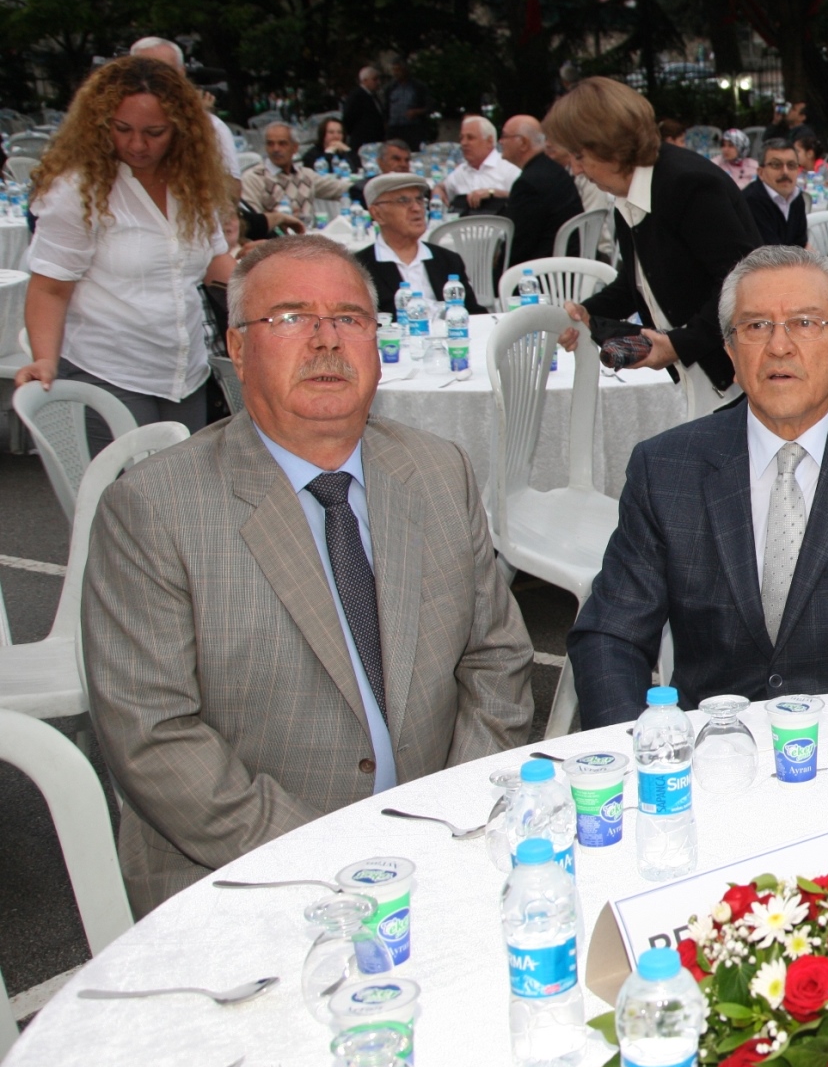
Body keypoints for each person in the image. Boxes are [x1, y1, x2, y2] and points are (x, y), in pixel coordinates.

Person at [83, 234, 533, 911]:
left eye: (349, 318)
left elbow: (497, 661)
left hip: (444, 844)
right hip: (247, 874)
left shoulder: (440, 470)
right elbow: (155, 737)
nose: (326, 340)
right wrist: (333, 856)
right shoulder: (153, 509)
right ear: (237, 348)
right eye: (291, 318)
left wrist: (449, 814)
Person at [568, 247, 828, 722]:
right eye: (756, 326)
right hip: (716, 745)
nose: (779, 346)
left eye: (805, 323)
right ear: (730, 352)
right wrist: (642, 747)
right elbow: (610, 635)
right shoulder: (666, 467)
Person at [15, 55, 235, 444]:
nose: (137, 144)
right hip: (109, 371)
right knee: (130, 482)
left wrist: (277, 300)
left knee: (185, 481)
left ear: (180, 129)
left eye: (154, 132)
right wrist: (45, 359)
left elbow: (216, 263)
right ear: (101, 124)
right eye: (122, 129)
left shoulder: (192, 182)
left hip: (185, 372)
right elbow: (49, 288)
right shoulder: (77, 189)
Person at [550, 76, 762, 402]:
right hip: (701, 370)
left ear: (610, 146)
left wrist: (680, 344)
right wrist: (586, 312)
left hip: (736, 374)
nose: (576, 169)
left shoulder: (686, 183)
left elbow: (746, 282)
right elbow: (637, 281)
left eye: (579, 156)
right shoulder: (632, 189)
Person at [356, 173, 488, 313]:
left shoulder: (447, 260)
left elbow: (473, 313)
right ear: (377, 214)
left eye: (419, 200)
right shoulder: (359, 268)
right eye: (403, 201)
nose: (417, 208)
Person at [129, 36, 240, 181]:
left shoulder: (210, 127)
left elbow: (231, 189)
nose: (153, 79)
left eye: (164, 70)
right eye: (144, 71)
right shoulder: (109, 123)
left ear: (181, 73)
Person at [498, 114, 585, 266]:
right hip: (570, 262)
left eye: (505, 136)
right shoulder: (555, 171)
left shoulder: (528, 184)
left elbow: (516, 246)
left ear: (523, 143)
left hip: (544, 271)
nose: (500, 141)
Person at [237, 122, 339, 229]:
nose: (276, 149)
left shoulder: (306, 175)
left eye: (282, 144)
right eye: (270, 144)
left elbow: (340, 188)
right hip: (274, 238)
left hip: (308, 235)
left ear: (295, 148)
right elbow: (251, 222)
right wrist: (278, 219)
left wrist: (347, 152)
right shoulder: (253, 178)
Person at [443, 114, 519, 211]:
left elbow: (525, 200)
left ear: (489, 141)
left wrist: (493, 193)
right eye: (461, 138)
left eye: (470, 138)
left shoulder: (509, 169)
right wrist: (437, 190)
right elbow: (443, 187)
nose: (463, 143)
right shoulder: (460, 171)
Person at [745, 137, 809, 249]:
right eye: (776, 165)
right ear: (761, 172)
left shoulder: (796, 197)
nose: (785, 172)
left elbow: (801, 244)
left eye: (791, 165)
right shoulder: (750, 201)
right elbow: (769, 252)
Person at [380, 54, 430, 146]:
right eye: (394, 70)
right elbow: (385, 109)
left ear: (405, 69)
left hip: (412, 128)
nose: (396, 73)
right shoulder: (390, 88)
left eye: (398, 70)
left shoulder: (418, 87)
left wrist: (416, 112)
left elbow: (429, 107)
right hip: (394, 129)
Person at [341, 65, 387, 151]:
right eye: (374, 79)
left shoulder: (374, 96)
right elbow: (348, 118)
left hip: (376, 139)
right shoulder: (356, 96)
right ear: (365, 81)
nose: (378, 82)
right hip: (363, 141)